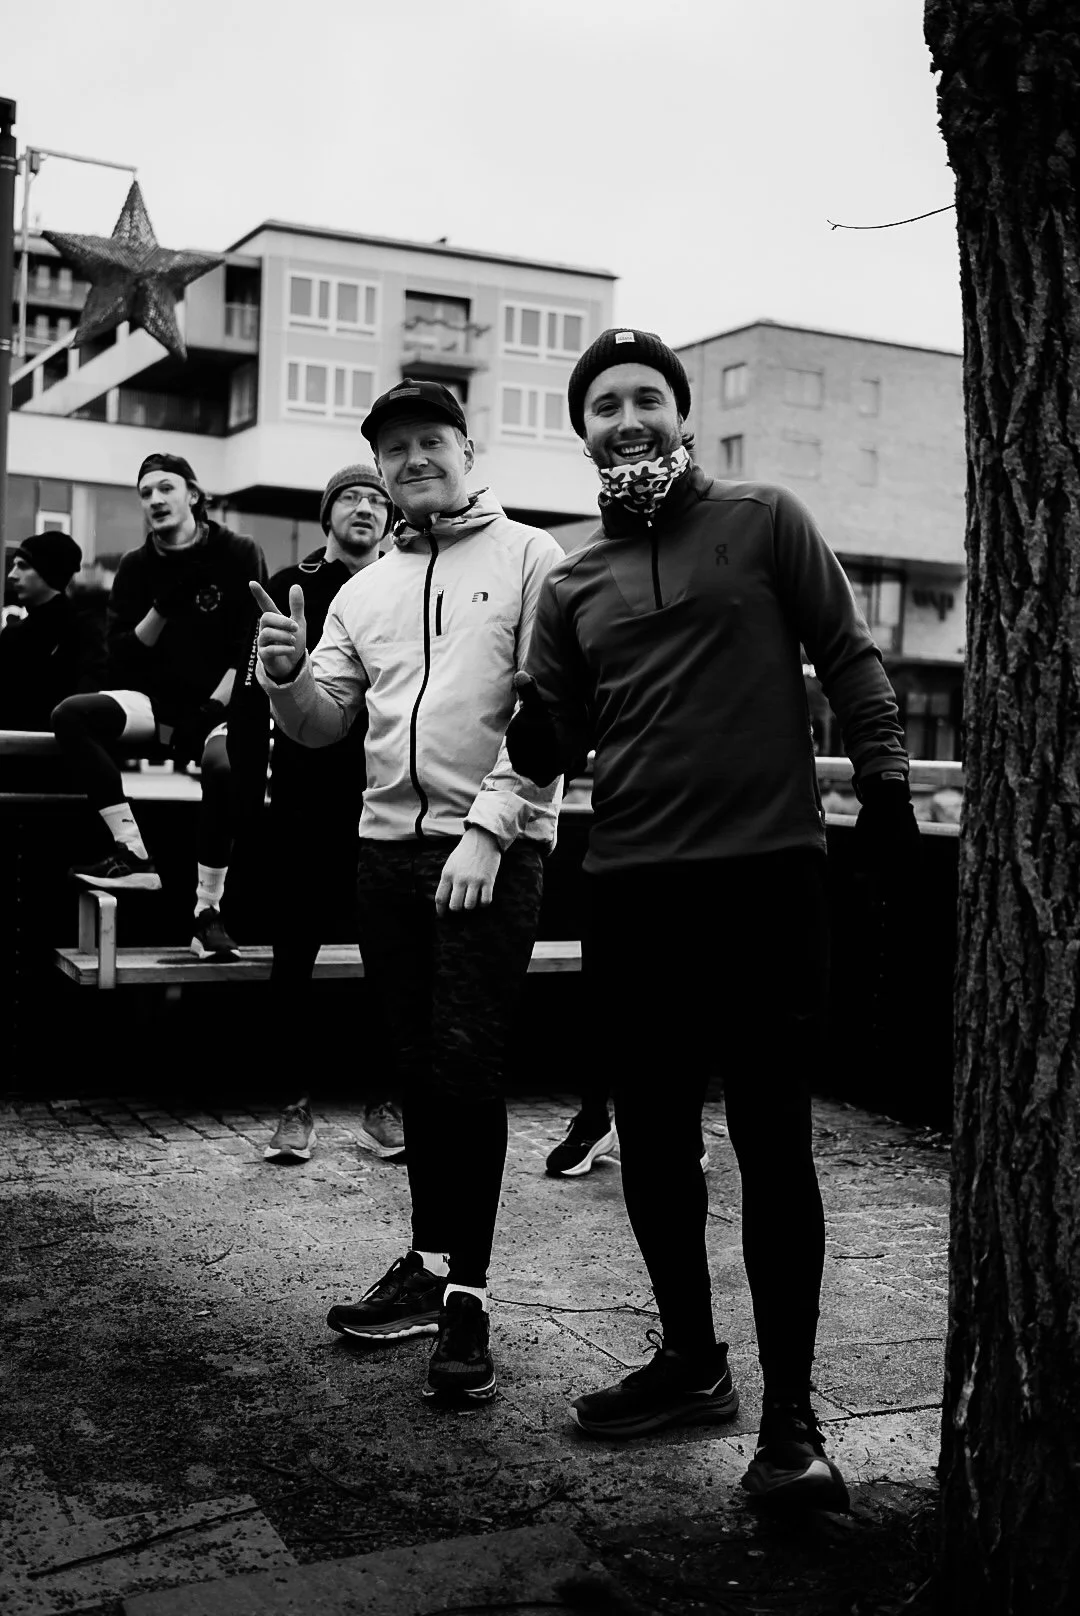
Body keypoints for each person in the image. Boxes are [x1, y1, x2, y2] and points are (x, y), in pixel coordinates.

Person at [506, 328, 920, 1510]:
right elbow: (552, 736)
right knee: (651, 1137)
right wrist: (529, 729)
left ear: (681, 415)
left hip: (768, 882)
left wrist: (884, 783)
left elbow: (848, 654)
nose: (626, 418)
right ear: (581, 429)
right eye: (604, 405)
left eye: (647, 398)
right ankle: (692, 1361)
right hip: (634, 886)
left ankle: (792, 1420)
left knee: (774, 1142)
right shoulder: (572, 580)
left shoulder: (765, 517)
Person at [252, 378, 562, 1405]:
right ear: (378, 471)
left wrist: (490, 826)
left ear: (471, 449)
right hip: (385, 854)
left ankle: (468, 1296)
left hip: (492, 852)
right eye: (395, 449)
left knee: (468, 1069)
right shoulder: (364, 588)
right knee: (419, 1068)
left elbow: (553, 715)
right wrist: (287, 678)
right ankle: (429, 1267)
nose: (413, 458)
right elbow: (324, 723)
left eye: (432, 440)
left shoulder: (530, 557)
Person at [227, 461, 404, 1164]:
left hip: (386, 800)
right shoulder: (289, 589)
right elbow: (250, 703)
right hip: (303, 803)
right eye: (349, 498)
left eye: (375, 499)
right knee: (292, 959)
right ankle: (293, 1107)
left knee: (389, 961)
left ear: (391, 519)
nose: (364, 507)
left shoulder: (405, 586)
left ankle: (385, 1103)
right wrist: (250, 806)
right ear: (326, 517)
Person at [51, 453, 268, 959]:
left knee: (223, 767)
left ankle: (205, 913)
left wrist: (214, 708)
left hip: (222, 704)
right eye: (145, 492)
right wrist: (163, 607)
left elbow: (251, 638)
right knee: (70, 715)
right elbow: (121, 655)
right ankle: (132, 850)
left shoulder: (238, 551)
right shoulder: (135, 565)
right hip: (154, 704)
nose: (154, 500)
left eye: (165, 487)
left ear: (193, 494)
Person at [0, 533, 105, 729]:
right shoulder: (11, 635)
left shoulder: (82, 631)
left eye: (23, 566)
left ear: (49, 571)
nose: (12, 574)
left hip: (59, 753)